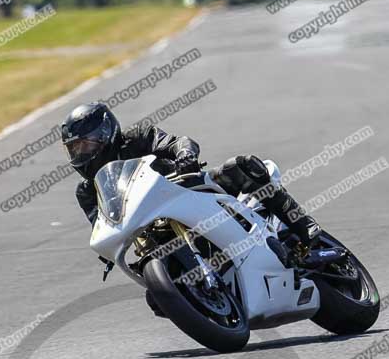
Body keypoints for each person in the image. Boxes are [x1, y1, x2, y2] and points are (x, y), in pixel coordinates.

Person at [61, 102, 321, 250]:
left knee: (242, 166)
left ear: (105, 133)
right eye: (75, 148)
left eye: (86, 144)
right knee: (155, 298)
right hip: (152, 230)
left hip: (188, 190)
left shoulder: (137, 138)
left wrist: (185, 155)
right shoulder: (87, 191)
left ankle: (302, 224)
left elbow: (176, 142)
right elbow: (102, 226)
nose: (81, 153)